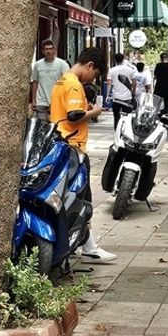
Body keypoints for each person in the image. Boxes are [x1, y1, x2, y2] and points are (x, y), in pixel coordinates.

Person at [51, 47, 117, 264]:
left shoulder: (62, 81)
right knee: (83, 199)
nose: (93, 79)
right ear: (89, 65)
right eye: (95, 74)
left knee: (74, 197)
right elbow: (74, 116)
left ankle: (82, 241)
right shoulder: (73, 85)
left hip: (60, 144)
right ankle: (88, 246)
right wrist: (95, 112)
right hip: (73, 147)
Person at [29, 38, 69, 118]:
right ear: (43, 51)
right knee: (42, 127)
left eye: (51, 49)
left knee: (55, 126)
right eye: (46, 49)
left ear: (55, 50)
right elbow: (35, 82)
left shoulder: (62, 64)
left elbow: (67, 82)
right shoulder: (38, 65)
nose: (48, 51)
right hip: (41, 102)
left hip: (57, 101)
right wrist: (33, 100)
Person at [108, 53, 138, 126]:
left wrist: (108, 95)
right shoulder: (130, 70)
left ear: (115, 60)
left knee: (116, 116)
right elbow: (134, 82)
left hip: (116, 98)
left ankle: (117, 131)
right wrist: (133, 92)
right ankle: (126, 131)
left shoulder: (111, 70)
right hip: (127, 97)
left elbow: (109, 83)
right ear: (123, 59)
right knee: (127, 117)